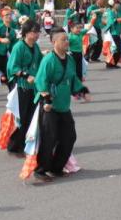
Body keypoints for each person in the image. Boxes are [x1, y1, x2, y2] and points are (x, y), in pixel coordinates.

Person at [32, 29, 91, 183]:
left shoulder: (70, 59)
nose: (67, 42)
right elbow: (41, 82)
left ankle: (56, 167)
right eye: (64, 39)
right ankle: (41, 170)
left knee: (69, 137)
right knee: (49, 138)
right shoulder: (49, 60)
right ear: (54, 42)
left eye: (67, 39)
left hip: (64, 105)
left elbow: (73, 79)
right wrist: (46, 101)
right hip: (50, 106)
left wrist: (82, 90)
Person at [6, 22, 43, 155]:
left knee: (31, 116)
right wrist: (25, 75)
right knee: (21, 117)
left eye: (38, 32)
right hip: (22, 86)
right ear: (26, 32)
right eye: (34, 31)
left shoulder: (35, 46)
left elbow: (39, 62)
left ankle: (26, 143)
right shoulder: (19, 47)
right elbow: (12, 67)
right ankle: (14, 145)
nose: (37, 34)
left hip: (33, 87)